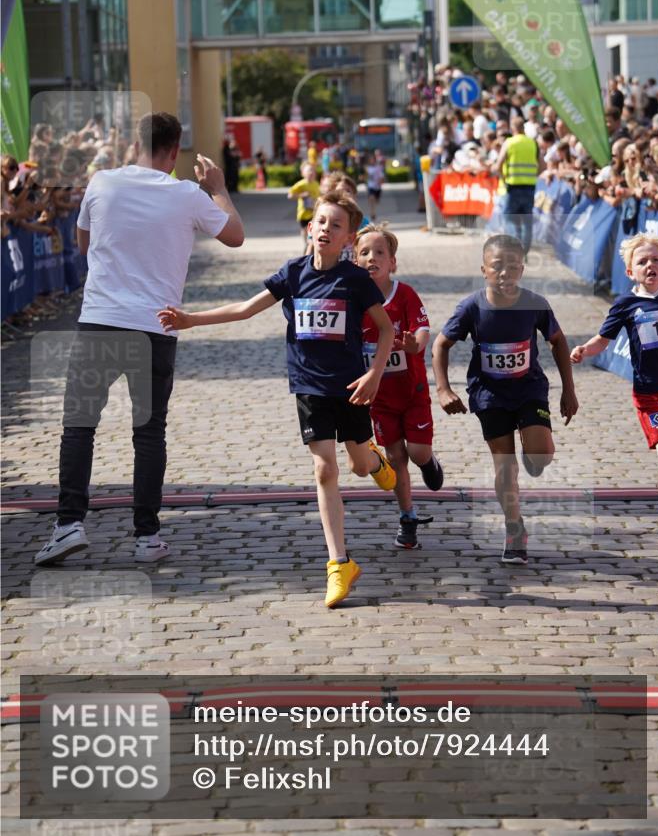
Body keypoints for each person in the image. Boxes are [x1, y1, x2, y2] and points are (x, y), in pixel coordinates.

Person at [158, 191, 397, 608]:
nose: (326, 229)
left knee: (359, 465)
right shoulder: (293, 273)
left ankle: (374, 460)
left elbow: (387, 329)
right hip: (309, 387)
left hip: (350, 387)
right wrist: (191, 319)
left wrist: (375, 374)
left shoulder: (355, 280)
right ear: (310, 227)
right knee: (325, 469)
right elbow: (247, 309)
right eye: (321, 222)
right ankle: (339, 564)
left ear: (348, 239)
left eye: (336, 225)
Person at [34, 112, 245, 567]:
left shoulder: (101, 182)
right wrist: (219, 189)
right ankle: (147, 536)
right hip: (156, 326)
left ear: (135, 144)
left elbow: (85, 246)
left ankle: (68, 525)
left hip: (101, 320)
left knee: (79, 425)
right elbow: (235, 236)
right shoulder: (187, 194)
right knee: (149, 432)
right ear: (175, 150)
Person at [432, 233, 578, 564]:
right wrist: (443, 389)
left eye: (513, 266)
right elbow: (441, 344)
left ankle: (533, 453)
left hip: (529, 389)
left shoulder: (535, 303)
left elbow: (557, 341)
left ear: (522, 270)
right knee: (505, 466)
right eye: (497, 265)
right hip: (490, 394)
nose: (504, 273)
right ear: (483, 269)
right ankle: (514, 528)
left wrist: (569, 390)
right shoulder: (471, 307)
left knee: (541, 455)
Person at [354, 224, 444, 550]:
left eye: (380, 253)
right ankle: (408, 516)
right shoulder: (352, 301)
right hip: (379, 399)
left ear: (392, 262)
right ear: (354, 261)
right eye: (364, 253)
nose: (372, 258)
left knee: (417, 452)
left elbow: (422, 331)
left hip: (412, 393)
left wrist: (413, 345)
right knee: (395, 458)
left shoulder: (404, 294)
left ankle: (429, 462)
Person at [570, 234, 658, 513]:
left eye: (656, 260)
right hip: (651, 395)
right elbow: (603, 340)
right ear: (630, 272)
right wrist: (584, 350)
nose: (650, 265)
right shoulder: (626, 304)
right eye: (642, 261)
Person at [492, 116, 543, 256]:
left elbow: (498, 165)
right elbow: (543, 165)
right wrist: (533, 176)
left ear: (512, 128)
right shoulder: (532, 143)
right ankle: (524, 251)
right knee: (526, 220)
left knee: (509, 217)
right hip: (529, 187)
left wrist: (504, 179)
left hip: (513, 187)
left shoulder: (509, 143)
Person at [287, 161, 319, 250]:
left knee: (314, 228)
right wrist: (301, 195)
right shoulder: (301, 184)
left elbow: (319, 196)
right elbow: (290, 195)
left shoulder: (316, 184)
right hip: (303, 212)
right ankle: (306, 243)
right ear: (303, 173)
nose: (311, 172)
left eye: (313, 170)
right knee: (304, 229)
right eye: (308, 170)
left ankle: (312, 243)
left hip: (314, 212)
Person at [365, 150, 385, 220]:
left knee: (376, 200)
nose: (372, 161)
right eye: (370, 160)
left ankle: (374, 210)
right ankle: (372, 213)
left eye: (373, 160)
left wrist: (381, 181)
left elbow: (382, 176)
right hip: (371, 185)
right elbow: (366, 176)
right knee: (371, 198)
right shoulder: (367, 168)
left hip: (377, 186)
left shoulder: (378, 167)